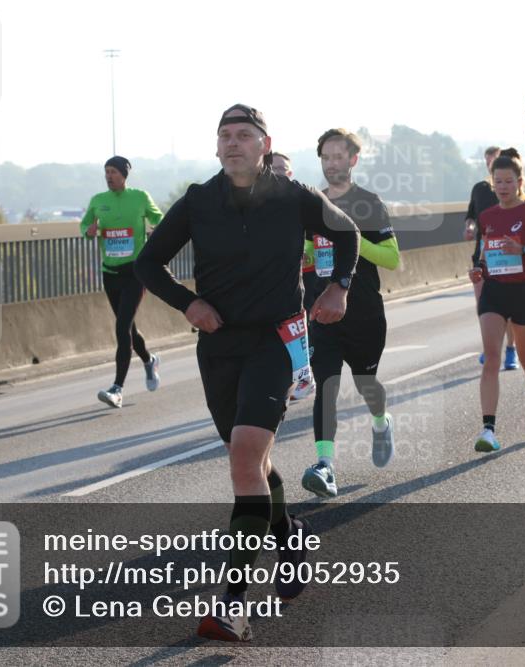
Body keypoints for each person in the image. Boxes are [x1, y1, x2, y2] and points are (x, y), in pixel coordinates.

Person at [135, 104, 360, 642]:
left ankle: (233, 603)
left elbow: (347, 233)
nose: (234, 143)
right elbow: (148, 263)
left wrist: (338, 286)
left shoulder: (291, 195)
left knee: (243, 458)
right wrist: (187, 304)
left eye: (245, 135)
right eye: (226, 136)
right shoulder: (198, 200)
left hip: (275, 342)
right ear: (217, 148)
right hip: (217, 346)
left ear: (265, 144)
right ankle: (289, 535)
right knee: (252, 462)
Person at [300, 128, 400, 498]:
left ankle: (380, 420)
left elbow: (392, 258)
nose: (331, 164)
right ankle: (325, 465)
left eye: (338, 157)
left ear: (353, 160)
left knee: (366, 385)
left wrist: (353, 237)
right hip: (324, 312)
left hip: (364, 313)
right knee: (326, 387)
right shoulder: (314, 204)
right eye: (325, 157)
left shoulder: (369, 203)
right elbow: (308, 256)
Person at [468, 149, 525, 452]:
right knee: (491, 357)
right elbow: (484, 253)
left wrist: (523, 250)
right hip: (494, 291)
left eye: (508, 181)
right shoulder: (487, 216)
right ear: (491, 183)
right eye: (498, 181)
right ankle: (488, 429)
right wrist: (478, 269)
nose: (503, 186)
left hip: (523, 292)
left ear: (519, 182)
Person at [80, 156, 164, 409]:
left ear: (124, 175)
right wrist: (89, 231)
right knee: (129, 329)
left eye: (114, 172)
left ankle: (117, 388)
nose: (109, 176)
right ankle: (149, 360)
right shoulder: (98, 201)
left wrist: (157, 230)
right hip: (110, 273)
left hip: (136, 272)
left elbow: (159, 218)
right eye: (106, 172)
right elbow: (85, 225)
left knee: (121, 327)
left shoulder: (139, 197)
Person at [267, 151, 316, 402]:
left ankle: (305, 376)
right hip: (267, 286)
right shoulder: (254, 204)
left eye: (282, 169)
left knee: (296, 328)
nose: (277, 174)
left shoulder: (301, 201)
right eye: (272, 168)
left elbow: (324, 238)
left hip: (301, 282)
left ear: (290, 174)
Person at [465, 146, 518, 369]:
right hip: (482, 255)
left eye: (494, 160)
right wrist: (468, 227)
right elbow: (470, 216)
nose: (490, 163)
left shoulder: (511, 191)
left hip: (505, 256)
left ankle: (510, 350)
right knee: (484, 307)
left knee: (508, 311)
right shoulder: (479, 189)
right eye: (487, 160)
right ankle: (490, 348)